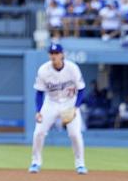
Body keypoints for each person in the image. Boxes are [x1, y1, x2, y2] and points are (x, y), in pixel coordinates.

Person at [29, 42, 87, 174]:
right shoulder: (43, 70)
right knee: (38, 132)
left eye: (56, 53)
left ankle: (80, 164)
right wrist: (38, 110)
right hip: (51, 103)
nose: (54, 56)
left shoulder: (72, 68)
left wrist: (75, 108)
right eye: (52, 53)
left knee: (74, 134)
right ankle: (35, 162)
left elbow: (82, 90)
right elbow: (39, 92)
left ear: (62, 54)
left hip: (69, 103)